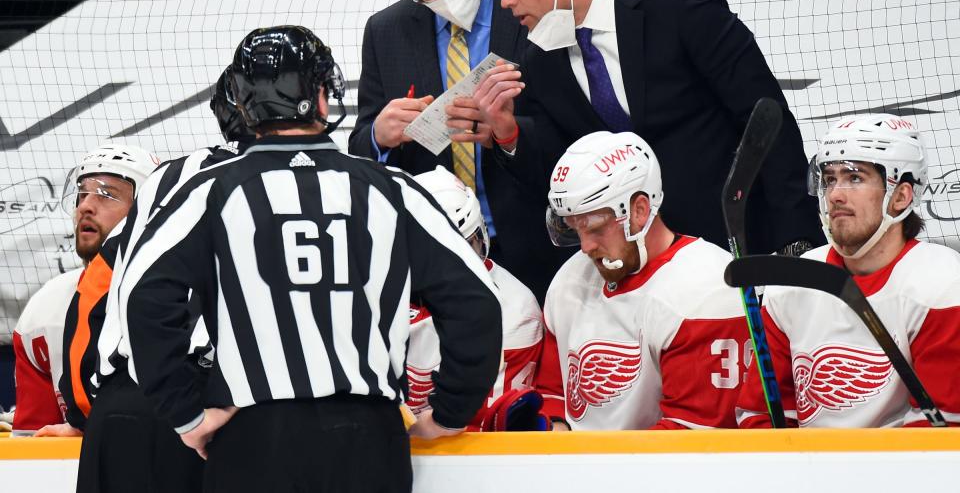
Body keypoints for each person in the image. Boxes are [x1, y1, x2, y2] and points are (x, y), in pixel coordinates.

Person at [120, 26, 503, 493]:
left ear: (243, 102)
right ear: (322, 96)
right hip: (368, 439)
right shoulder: (391, 189)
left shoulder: (210, 192)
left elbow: (140, 298)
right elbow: (477, 301)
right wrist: (449, 411)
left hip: (254, 440)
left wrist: (185, 414)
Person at [482, 0, 822, 256]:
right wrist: (508, 134)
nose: (505, 1)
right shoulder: (540, 60)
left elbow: (765, 120)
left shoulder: (680, 4)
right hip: (643, 269)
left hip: (743, 243)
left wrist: (796, 238)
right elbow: (561, 168)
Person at [348, 0, 568, 303]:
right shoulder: (386, 32)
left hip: (542, 245)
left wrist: (509, 135)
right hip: (441, 256)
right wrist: (380, 135)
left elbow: (573, 126)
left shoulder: (530, 1)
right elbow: (361, 147)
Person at [67, 67, 255, 493]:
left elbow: (89, 317)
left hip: (123, 411)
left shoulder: (166, 184)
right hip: (219, 409)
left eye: (109, 193)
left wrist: (83, 415)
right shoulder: (300, 185)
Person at [737, 114, 960, 428]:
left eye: (855, 178)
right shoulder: (791, 283)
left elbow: (943, 431)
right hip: (806, 471)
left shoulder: (939, 282)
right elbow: (759, 415)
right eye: (829, 179)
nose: (835, 195)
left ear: (901, 195)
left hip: (898, 473)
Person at [535, 131, 750, 430]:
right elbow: (551, 393)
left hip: (655, 472)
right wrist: (554, 428)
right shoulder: (570, 281)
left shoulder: (706, 288)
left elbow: (689, 439)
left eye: (596, 227)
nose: (585, 247)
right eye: (574, 228)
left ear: (639, 211)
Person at [10, 143, 155, 435]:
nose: (86, 206)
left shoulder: (187, 300)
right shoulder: (43, 312)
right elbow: (34, 443)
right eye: (82, 194)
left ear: (148, 211)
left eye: (107, 194)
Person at [410, 166, 545, 431]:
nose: (455, 269)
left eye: (464, 249)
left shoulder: (514, 312)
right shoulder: (381, 289)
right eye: (440, 257)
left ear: (481, 235)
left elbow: (486, 429)